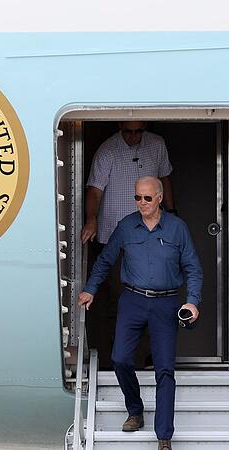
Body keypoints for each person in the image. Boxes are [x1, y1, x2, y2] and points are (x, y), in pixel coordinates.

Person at [78, 176, 203, 450]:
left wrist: (192, 301)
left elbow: (193, 268)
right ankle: (135, 411)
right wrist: (90, 289)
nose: (142, 203)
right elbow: (105, 260)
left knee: (165, 370)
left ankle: (164, 437)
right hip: (132, 300)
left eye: (147, 198)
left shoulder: (177, 228)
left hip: (166, 304)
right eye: (137, 198)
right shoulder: (126, 226)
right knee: (120, 358)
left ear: (159, 197)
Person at [81, 121, 175, 368]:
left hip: (153, 238)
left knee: (152, 299)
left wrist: (173, 214)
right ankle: (116, 361)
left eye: (138, 132)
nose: (133, 137)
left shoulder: (156, 145)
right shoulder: (108, 150)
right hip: (116, 239)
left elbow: (165, 179)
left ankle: (140, 359)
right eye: (128, 132)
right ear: (119, 128)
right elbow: (94, 191)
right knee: (118, 303)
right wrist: (91, 220)